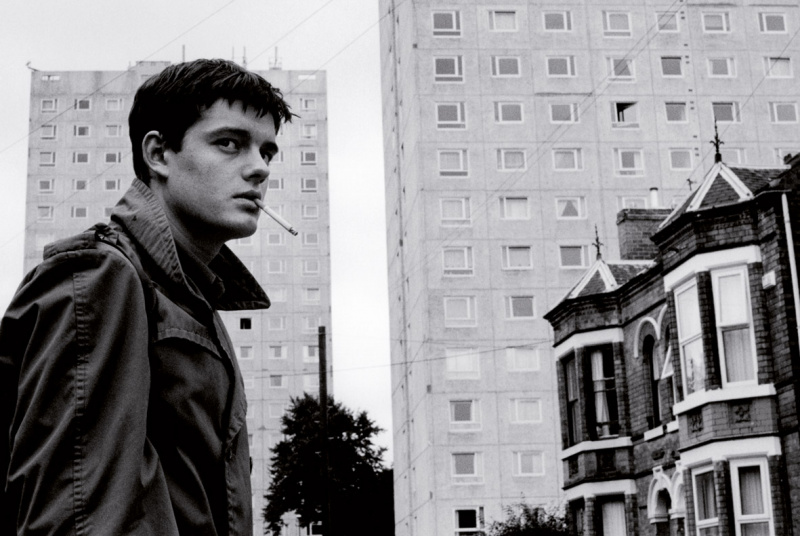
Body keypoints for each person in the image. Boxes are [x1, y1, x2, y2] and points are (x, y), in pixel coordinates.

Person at [0, 59, 293, 535]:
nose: (259, 168)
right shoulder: (102, 275)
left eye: (267, 152)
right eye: (229, 143)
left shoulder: (193, 299)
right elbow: (78, 514)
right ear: (158, 154)